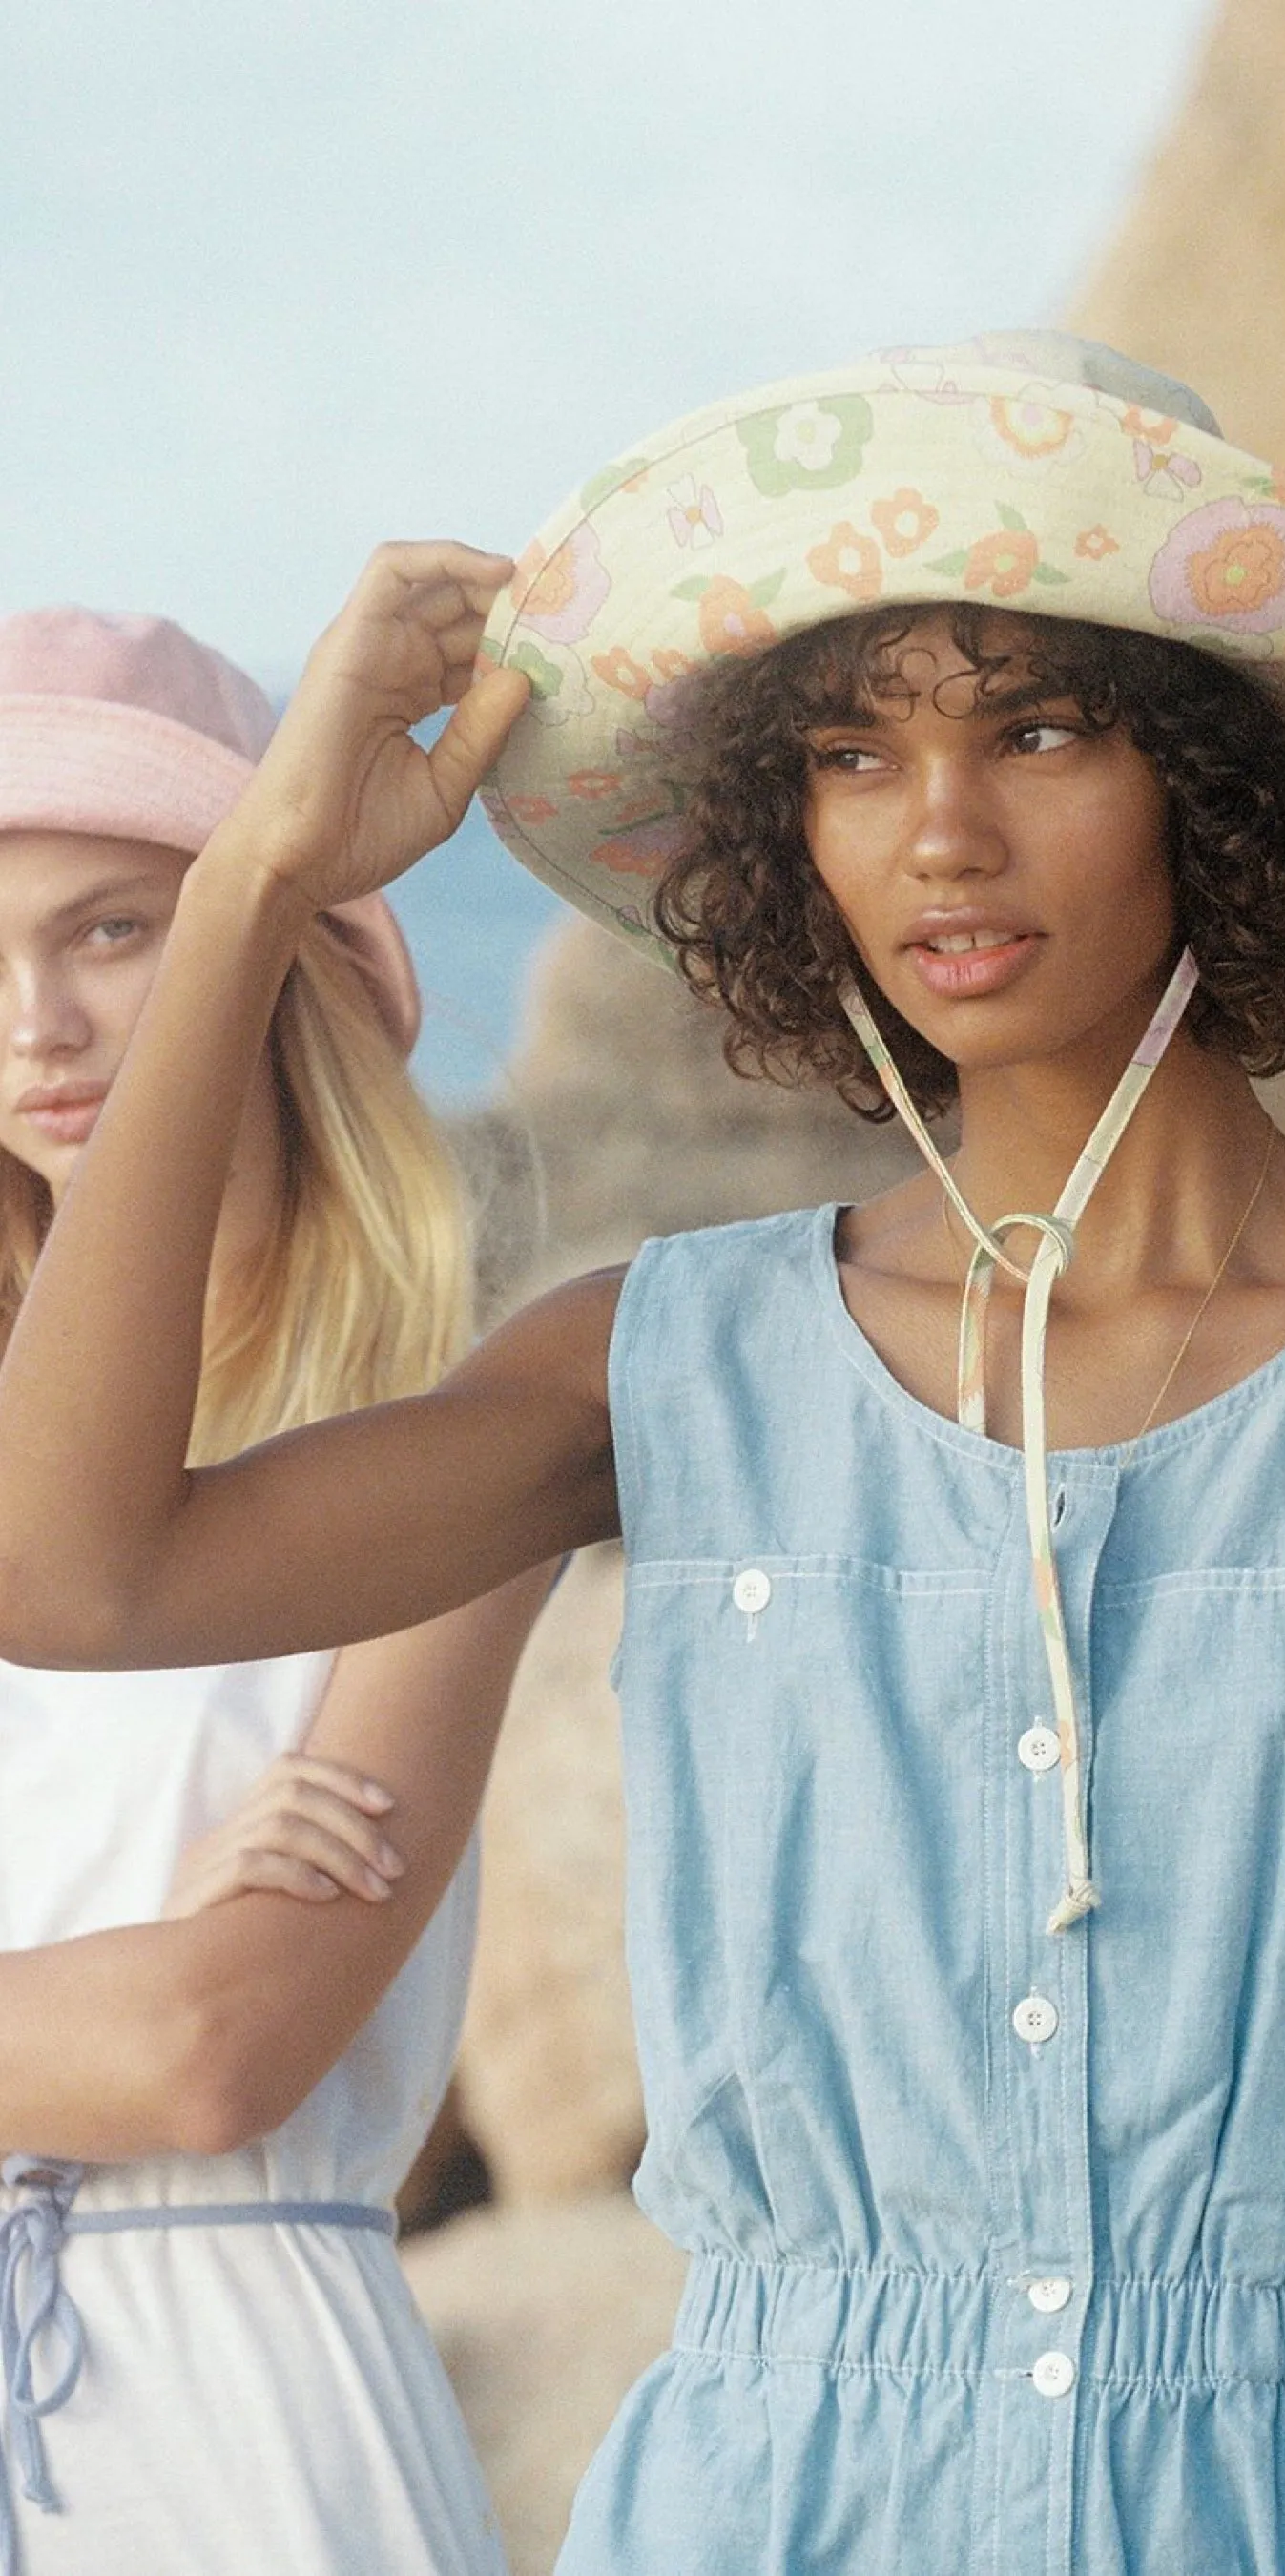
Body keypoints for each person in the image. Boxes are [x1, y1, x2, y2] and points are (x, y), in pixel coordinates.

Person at [0, 332, 1285, 2574]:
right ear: (778, 830)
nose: (942, 833)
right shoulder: (656, 1360)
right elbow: (73, 1574)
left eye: (1041, 725)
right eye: (850, 750)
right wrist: (253, 886)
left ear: (1218, 780)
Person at [0, 607, 548, 2574]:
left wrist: (123, 2013)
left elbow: (207, 2052)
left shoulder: (443, 1441)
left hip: (243, 2415)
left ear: (275, 942)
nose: (34, 1028)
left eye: (114, 927)